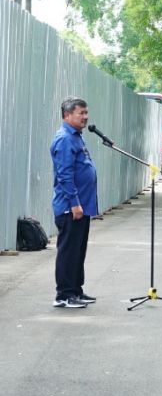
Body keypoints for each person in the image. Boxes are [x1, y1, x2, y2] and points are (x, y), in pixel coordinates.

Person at [50, 97, 98, 308]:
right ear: (67, 115)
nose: (85, 117)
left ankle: (76, 290)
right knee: (69, 251)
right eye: (81, 113)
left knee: (78, 250)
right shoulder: (64, 139)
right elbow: (64, 175)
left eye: (86, 113)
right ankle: (64, 295)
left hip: (82, 205)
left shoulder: (76, 136)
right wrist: (74, 203)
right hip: (71, 207)